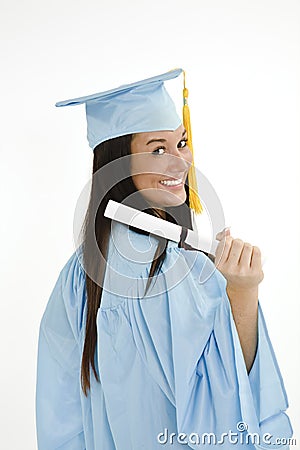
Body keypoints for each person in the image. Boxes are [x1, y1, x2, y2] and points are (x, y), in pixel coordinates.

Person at [36, 68, 293, 449]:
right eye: (157, 149)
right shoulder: (177, 271)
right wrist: (241, 291)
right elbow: (223, 414)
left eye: (181, 143)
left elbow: (61, 420)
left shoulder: (78, 275)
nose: (180, 163)